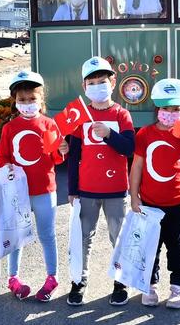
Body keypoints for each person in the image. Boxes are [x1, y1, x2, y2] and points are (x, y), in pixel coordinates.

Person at [129, 78, 180, 309]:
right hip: (150, 201)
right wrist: (134, 196)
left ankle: (178, 284)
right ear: (157, 108)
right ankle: (150, 283)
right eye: (166, 108)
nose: (170, 113)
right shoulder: (145, 133)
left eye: (176, 109)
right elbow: (137, 166)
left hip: (177, 200)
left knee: (175, 244)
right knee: (151, 244)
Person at [66, 56, 135, 306]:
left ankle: (120, 280)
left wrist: (109, 134)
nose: (97, 86)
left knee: (118, 237)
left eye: (102, 81)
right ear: (84, 87)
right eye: (92, 82)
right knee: (83, 238)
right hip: (87, 190)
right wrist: (72, 189)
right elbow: (74, 155)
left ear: (113, 82)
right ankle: (79, 280)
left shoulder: (122, 114)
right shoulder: (80, 116)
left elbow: (129, 148)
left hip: (116, 190)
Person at [0, 70, 67, 302]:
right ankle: (13, 277)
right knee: (17, 236)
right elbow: (2, 156)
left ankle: (52, 276)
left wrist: (62, 150)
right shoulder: (10, 128)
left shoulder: (50, 124)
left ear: (41, 99)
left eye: (32, 99)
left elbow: (56, 158)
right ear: (15, 101)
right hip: (19, 192)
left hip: (45, 189)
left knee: (47, 234)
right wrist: (6, 166)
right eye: (22, 99)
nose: (27, 103)